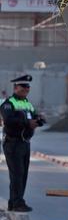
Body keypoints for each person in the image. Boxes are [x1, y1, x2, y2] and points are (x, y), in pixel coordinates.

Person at [1, 75, 44, 212]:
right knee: (17, 174)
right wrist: (27, 123)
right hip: (13, 143)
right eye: (24, 86)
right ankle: (17, 202)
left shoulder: (27, 103)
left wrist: (39, 120)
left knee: (23, 174)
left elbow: (34, 116)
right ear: (16, 87)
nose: (27, 89)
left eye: (28, 87)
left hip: (25, 143)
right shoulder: (8, 103)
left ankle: (14, 202)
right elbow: (8, 120)